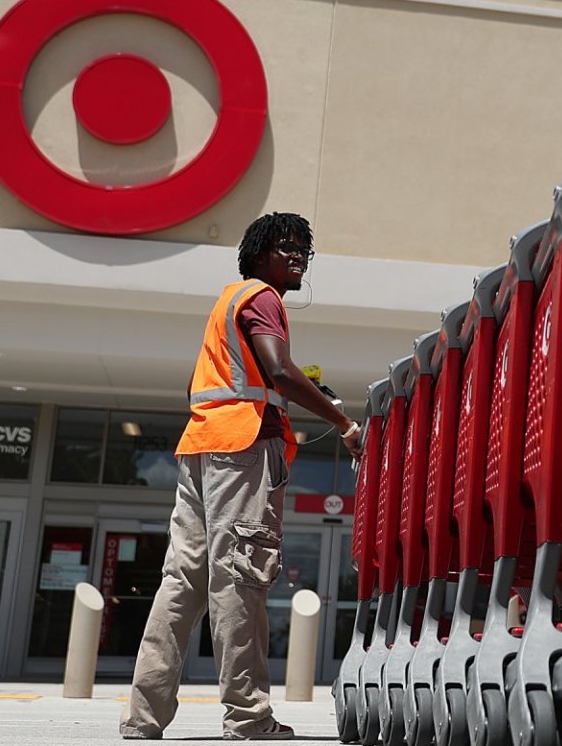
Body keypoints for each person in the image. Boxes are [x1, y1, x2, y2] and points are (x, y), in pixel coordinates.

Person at [122, 213, 364, 741]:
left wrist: (294, 391)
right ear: (258, 255)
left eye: (305, 249)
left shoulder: (227, 303)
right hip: (243, 446)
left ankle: (142, 718)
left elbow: (208, 381)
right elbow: (278, 370)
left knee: (181, 579)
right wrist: (342, 421)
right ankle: (249, 717)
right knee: (241, 577)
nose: (298, 256)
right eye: (287, 247)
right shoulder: (263, 298)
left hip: (202, 444)